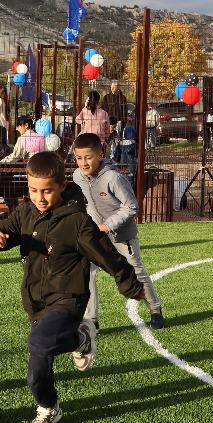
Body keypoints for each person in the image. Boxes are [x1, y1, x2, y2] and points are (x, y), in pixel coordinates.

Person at [0, 151, 144, 423]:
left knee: (39, 342)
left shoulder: (77, 222)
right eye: (33, 190)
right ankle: (49, 405)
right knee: (36, 372)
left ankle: (81, 335)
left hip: (68, 299)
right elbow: (0, 232)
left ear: (62, 187)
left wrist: (130, 285)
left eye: (47, 191)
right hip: (36, 301)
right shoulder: (25, 213)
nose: (40, 197)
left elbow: (109, 257)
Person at [71, 132, 164, 329]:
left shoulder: (113, 178)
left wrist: (107, 226)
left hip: (122, 236)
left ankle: (155, 309)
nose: (84, 162)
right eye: (79, 158)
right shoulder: (77, 176)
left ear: (100, 155)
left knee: (136, 272)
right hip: (94, 237)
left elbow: (131, 207)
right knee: (87, 273)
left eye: (88, 157)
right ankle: (91, 321)